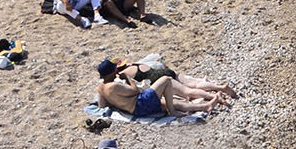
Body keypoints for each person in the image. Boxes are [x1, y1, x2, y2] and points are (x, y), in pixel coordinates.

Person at [96, 72, 232, 118]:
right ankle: (173, 111)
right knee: (168, 80)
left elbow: (102, 105)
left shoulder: (100, 88)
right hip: (140, 103)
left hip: (135, 111)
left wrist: (118, 102)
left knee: (170, 102)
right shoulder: (114, 85)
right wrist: (128, 79)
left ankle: (206, 106)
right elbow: (136, 91)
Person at [95, 57, 237, 101]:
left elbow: (132, 90)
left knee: (188, 92)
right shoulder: (134, 64)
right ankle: (220, 87)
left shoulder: (123, 75)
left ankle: (215, 97)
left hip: (159, 78)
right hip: (164, 71)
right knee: (193, 83)